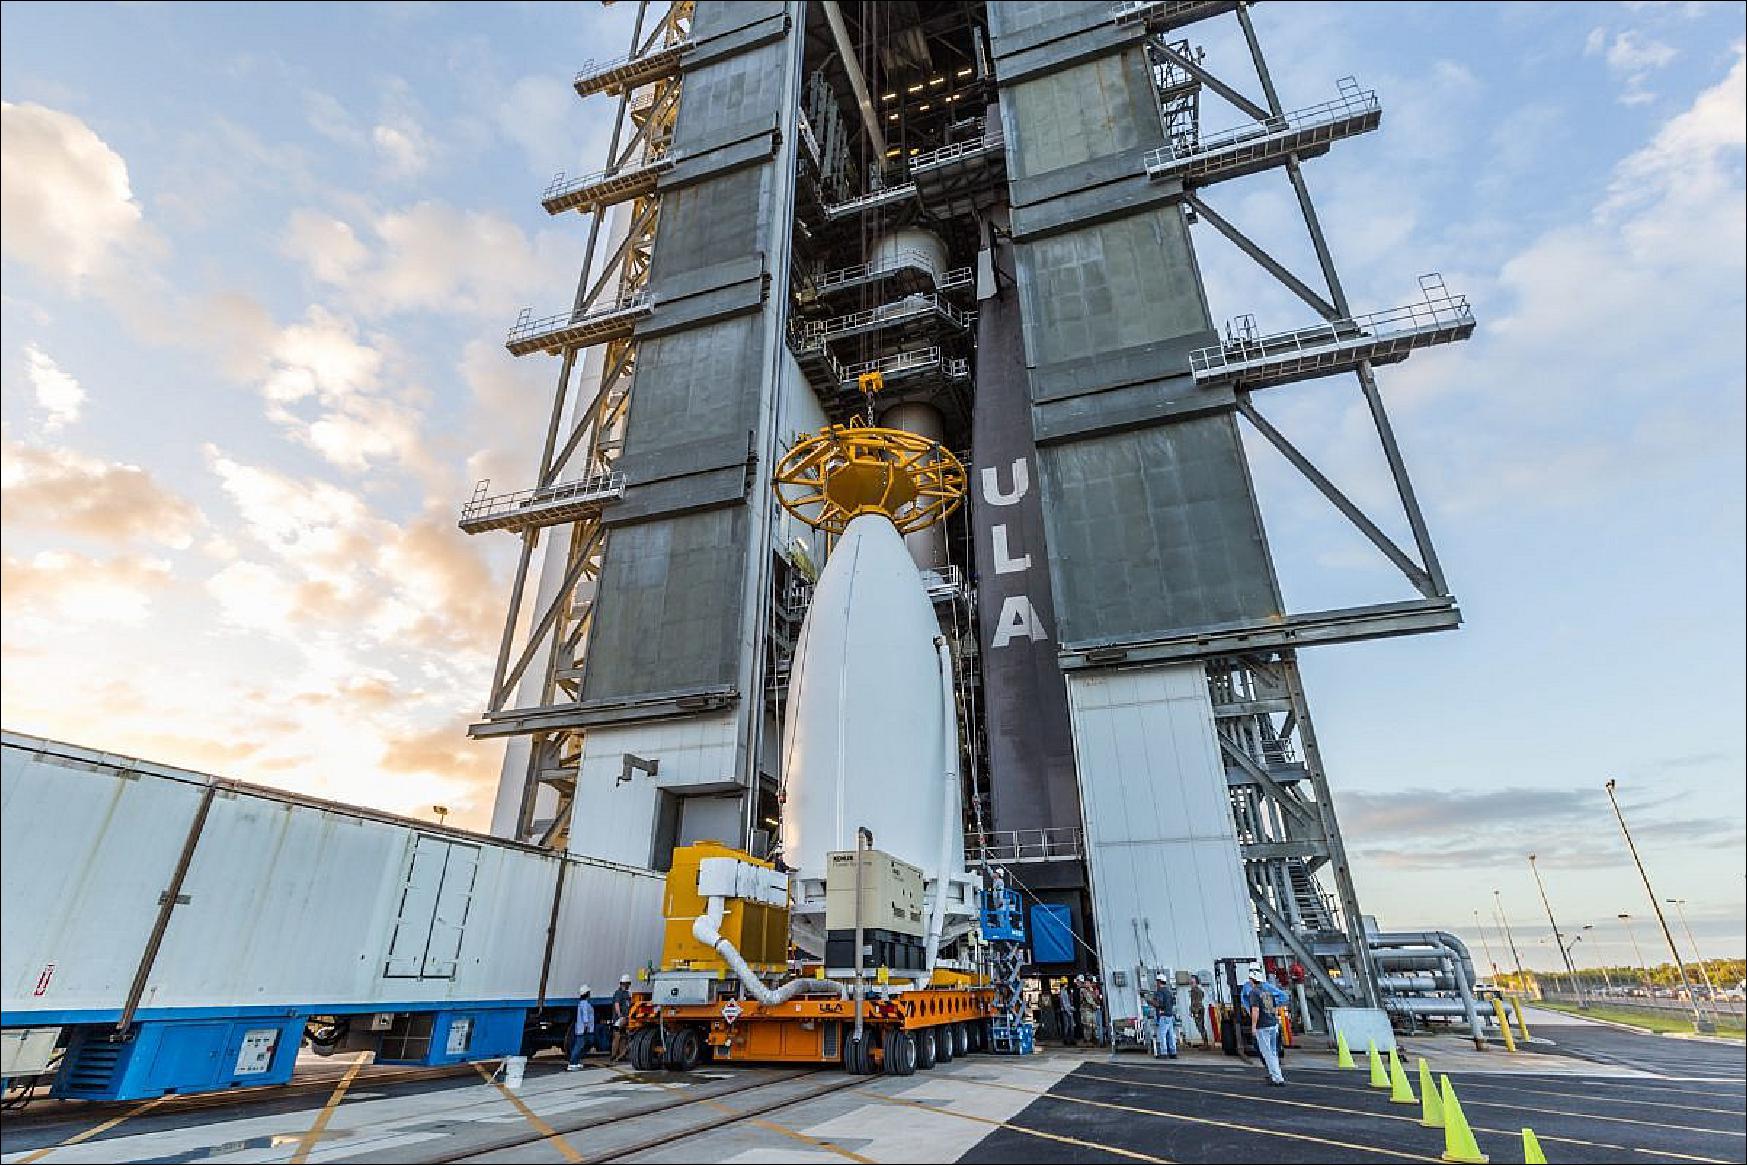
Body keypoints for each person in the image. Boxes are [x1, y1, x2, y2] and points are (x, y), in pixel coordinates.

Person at [1241, 966, 1290, 1086]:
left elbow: (1255, 1011)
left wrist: (1253, 1026)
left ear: (1252, 979)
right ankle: (1278, 1076)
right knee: (1273, 1052)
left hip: (1262, 1026)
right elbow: (1279, 1001)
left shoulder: (1253, 992)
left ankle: (1276, 1078)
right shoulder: (1268, 990)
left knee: (1267, 1053)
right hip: (1273, 1024)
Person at [1149, 973, 1178, 1059]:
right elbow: (1172, 1002)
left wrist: (1150, 1001)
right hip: (1170, 1015)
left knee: (1162, 1034)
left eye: (1157, 982)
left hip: (1163, 1015)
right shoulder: (1169, 992)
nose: (1156, 984)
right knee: (1171, 1034)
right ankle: (1173, 1052)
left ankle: (1164, 1052)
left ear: (1159, 982)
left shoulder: (1159, 991)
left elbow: (1159, 1003)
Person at [567, 985, 596, 1070]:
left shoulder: (582, 1003)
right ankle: (572, 1063)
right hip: (583, 1029)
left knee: (582, 1045)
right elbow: (585, 1017)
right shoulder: (585, 1004)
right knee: (579, 1046)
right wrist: (586, 1027)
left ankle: (576, 1061)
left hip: (582, 1029)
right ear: (587, 994)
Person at [610, 973, 634, 1062]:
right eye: (628, 984)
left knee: (623, 1037)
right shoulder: (619, 993)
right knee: (617, 1037)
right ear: (625, 983)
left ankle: (621, 1055)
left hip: (625, 1018)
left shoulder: (627, 994)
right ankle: (614, 1055)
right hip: (619, 1019)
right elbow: (617, 1004)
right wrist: (620, 1016)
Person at [1077, 976, 1100, 1046]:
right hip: (1086, 1010)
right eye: (1090, 982)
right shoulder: (1083, 990)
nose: (1091, 984)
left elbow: (1095, 998)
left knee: (1093, 1025)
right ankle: (1088, 1040)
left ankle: (1093, 1039)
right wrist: (1094, 1004)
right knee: (1087, 1025)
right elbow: (1088, 999)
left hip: (1091, 1010)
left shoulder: (1090, 989)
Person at [1055, 978, 1078, 1046]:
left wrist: (1071, 1008)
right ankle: (1067, 1040)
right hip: (1066, 1011)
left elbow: (1070, 1001)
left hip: (1068, 1010)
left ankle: (1071, 1040)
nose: (1066, 985)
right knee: (1067, 1025)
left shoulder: (1067, 991)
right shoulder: (1063, 992)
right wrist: (1069, 1010)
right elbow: (1064, 1003)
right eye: (1065, 983)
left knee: (1070, 1026)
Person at [1188, 975, 1207, 1048]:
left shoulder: (1197, 991)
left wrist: (1196, 1012)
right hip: (1196, 1010)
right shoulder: (1194, 990)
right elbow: (1193, 1002)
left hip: (1198, 1010)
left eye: (1192, 982)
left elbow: (1198, 1002)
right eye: (1190, 982)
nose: (1191, 983)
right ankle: (1205, 1042)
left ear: (1196, 982)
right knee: (1199, 1026)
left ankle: (1205, 1043)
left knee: (1200, 1027)